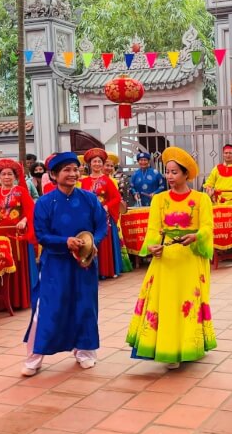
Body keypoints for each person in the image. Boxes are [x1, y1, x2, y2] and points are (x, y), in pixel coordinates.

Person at [126, 147, 217, 368]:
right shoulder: (159, 199)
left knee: (188, 302)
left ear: (186, 174)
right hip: (165, 256)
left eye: (174, 172)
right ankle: (168, 349)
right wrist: (153, 246)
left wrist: (195, 237)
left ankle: (190, 345)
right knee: (166, 302)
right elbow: (153, 228)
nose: (169, 177)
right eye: (167, 172)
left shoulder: (201, 199)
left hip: (189, 257)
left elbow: (207, 227)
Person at [22, 153, 107, 376]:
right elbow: (41, 235)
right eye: (67, 170)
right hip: (55, 264)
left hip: (84, 264)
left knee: (85, 306)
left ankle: (85, 352)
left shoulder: (89, 199)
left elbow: (101, 225)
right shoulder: (44, 202)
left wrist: (93, 242)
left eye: (75, 169)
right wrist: (64, 242)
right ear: (53, 175)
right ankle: (34, 357)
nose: (73, 174)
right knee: (48, 308)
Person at [0, 159, 38, 311]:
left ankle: (19, 300)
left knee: (17, 265)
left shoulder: (21, 191)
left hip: (18, 234)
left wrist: (24, 221)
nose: (6, 177)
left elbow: (30, 210)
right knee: (3, 267)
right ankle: (3, 301)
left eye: (9, 174)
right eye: (3, 174)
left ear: (15, 176)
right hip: (1, 235)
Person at [79, 148, 123, 280]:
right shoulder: (84, 182)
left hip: (105, 217)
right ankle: (94, 270)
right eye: (94, 162)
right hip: (90, 217)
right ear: (89, 164)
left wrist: (106, 207)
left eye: (99, 162)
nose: (97, 164)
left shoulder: (107, 180)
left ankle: (107, 270)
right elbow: (82, 198)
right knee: (92, 241)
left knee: (104, 242)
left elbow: (116, 197)